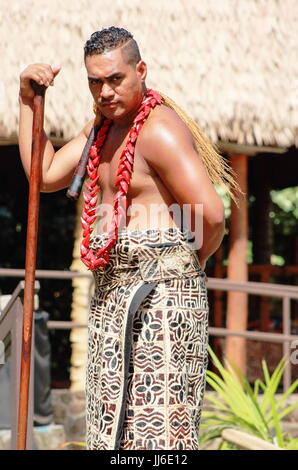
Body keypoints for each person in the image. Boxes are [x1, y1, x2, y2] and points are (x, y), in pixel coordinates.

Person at [18, 26, 239, 450]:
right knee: (111, 432)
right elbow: (43, 176)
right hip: (111, 299)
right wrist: (29, 102)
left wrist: (183, 268)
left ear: (141, 70)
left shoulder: (160, 130)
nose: (104, 92)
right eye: (95, 82)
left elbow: (211, 216)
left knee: (157, 436)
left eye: (115, 79)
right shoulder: (99, 129)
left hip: (163, 301)